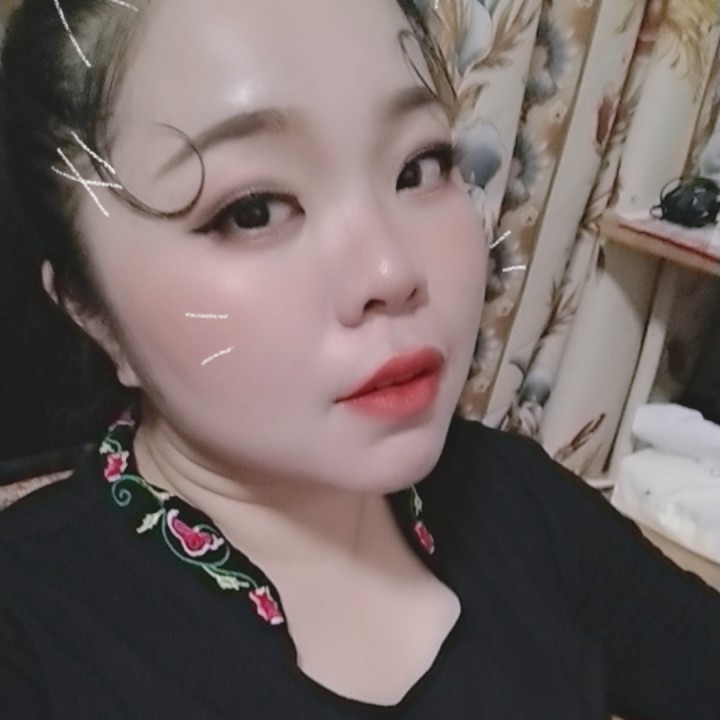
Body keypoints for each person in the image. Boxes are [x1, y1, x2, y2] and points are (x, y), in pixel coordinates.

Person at [0, 0, 718, 717]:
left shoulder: (520, 502)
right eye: (252, 211)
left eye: (418, 167)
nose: (390, 271)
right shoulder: (30, 635)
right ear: (89, 310)